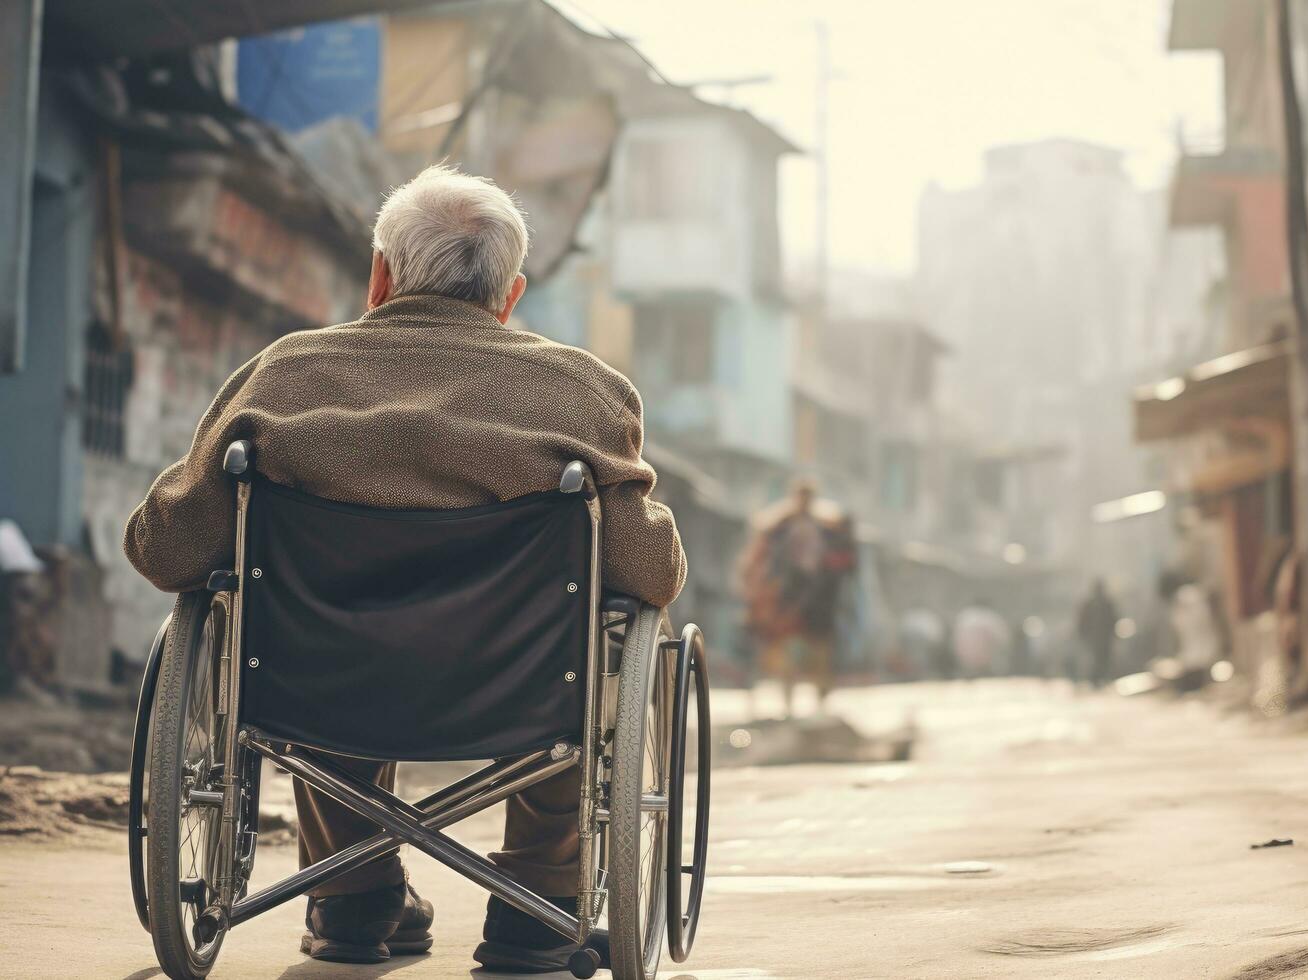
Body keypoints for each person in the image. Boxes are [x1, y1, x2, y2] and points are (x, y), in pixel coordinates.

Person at [124, 165, 686, 972]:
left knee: (307, 639)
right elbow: (649, 574)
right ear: (512, 293)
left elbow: (166, 550)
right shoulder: (581, 392)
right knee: (592, 638)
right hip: (518, 692)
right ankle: (540, 904)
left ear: (380, 276)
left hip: (322, 688)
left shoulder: (285, 376)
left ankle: (354, 899)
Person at [739, 481, 854, 714]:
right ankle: (784, 705)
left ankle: (821, 707)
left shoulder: (828, 528)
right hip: (785, 599)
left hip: (818, 602)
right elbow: (757, 561)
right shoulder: (778, 526)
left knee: (820, 653)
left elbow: (844, 562)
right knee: (782, 653)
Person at [1076, 578, 1119, 689]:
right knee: (1094, 659)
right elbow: (1082, 621)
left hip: (1104, 638)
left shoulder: (1107, 603)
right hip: (1093, 639)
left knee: (1103, 659)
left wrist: (1113, 634)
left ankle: (1100, 679)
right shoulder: (1090, 604)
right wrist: (1083, 635)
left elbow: (1113, 619)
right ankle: (1094, 680)